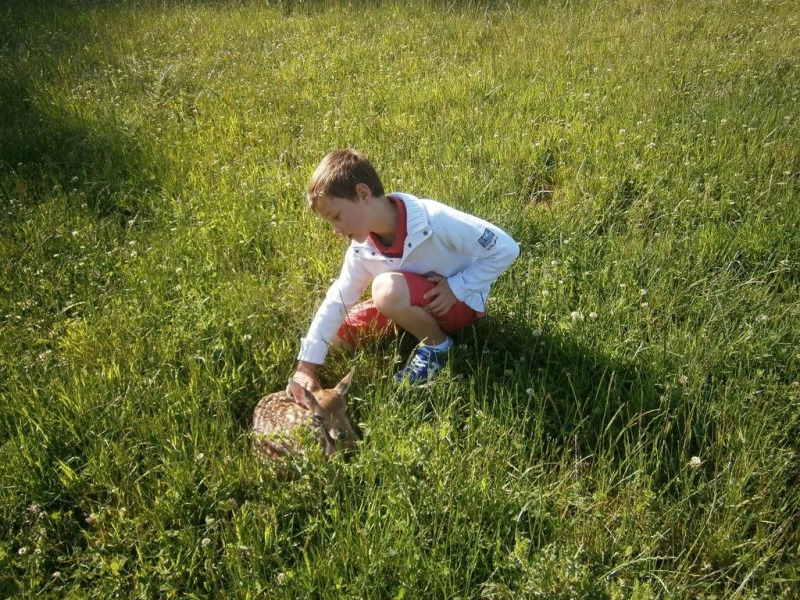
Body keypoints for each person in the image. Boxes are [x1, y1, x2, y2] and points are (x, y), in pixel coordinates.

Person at [290, 149, 519, 389]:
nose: (336, 229)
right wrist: (306, 366)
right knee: (335, 337)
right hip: (408, 301)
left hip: (457, 304)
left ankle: (436, 346)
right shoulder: (361, 249)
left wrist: (457, 287)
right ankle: (410, 321)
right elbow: (338, 299)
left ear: (362, 193)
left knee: (385, 290)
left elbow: (505, 248)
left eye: (336, 216)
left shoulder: (435, 220)